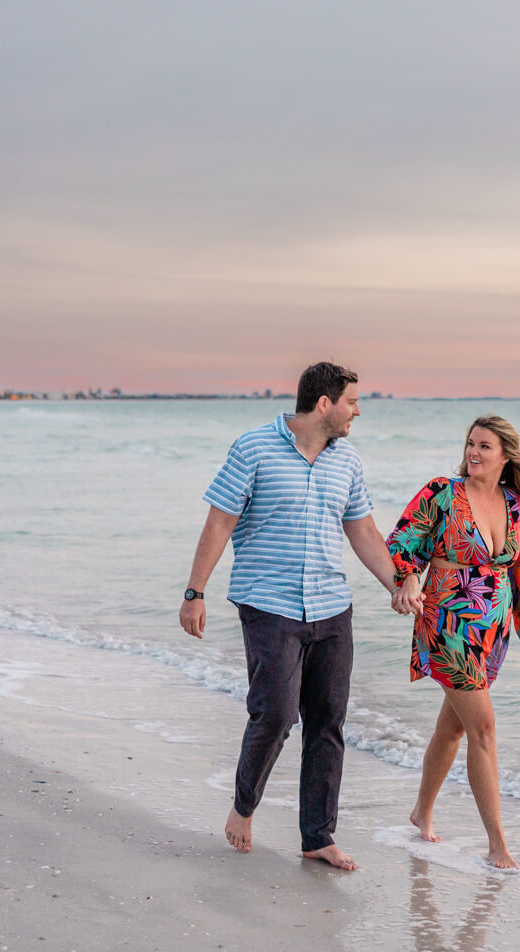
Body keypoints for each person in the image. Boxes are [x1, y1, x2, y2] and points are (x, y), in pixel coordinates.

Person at [178, 361, 418, 871]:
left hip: (332, 607)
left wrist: (399, 586)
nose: (358, 410)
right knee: (276, 713)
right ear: (325, 404)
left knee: (328, 724)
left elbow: (364, 534)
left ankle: (317, 836)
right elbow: (220, 522)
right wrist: (195, 592)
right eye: (352, 401)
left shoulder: (347, 460)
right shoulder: (253, 447)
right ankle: (244, 808)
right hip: (268, 603)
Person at [387, 415, 520, 869]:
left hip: (492, 631)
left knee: (455, 726)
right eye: (470, 443)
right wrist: (406, 581)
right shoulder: (443, 492)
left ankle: (421, 811)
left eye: (484, 446)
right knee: (483, 727)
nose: (474, 452)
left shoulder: (516, 504)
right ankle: (498, 844)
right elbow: (402, 542)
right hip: (446, 622)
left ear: (506, 456)